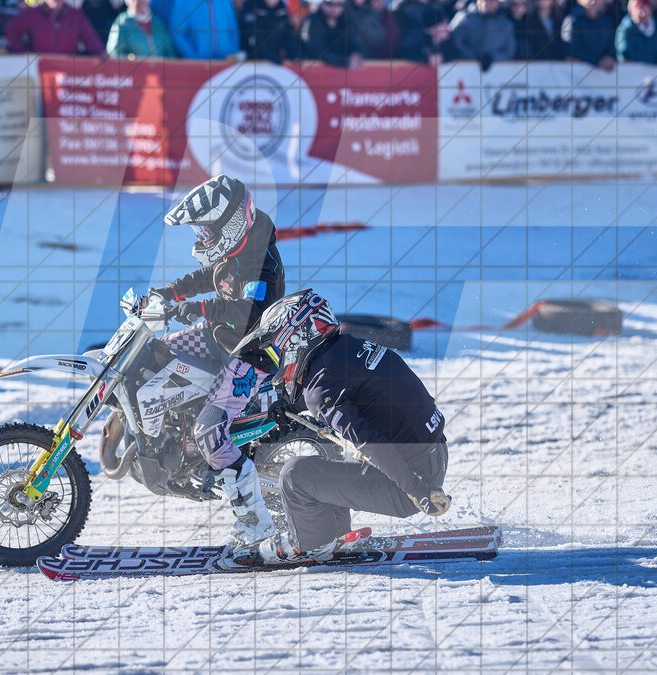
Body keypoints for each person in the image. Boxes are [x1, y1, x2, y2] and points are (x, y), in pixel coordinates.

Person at [231, 289, 450, 564]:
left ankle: (310, 544)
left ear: (297, 339)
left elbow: (369, 442)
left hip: (410, 483)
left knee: (295, 474)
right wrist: (294, 405)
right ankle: (332, 537)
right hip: (431, 459)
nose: (279, 360)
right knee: (325, 463)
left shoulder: (320, 387)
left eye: (278, 350)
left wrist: (417, 491)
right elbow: (364, 395)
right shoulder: (347, 349)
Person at [149, 175, 285, 545]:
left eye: (205, 231)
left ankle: (256, 524)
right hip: (219, 339)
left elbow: (247, 310)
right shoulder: (235, 250)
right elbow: (209, 275)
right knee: (155, 357)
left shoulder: (261, 262)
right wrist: (168, 293)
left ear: (232, 224)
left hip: (251, 354)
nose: (200, 239)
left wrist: (195, 308)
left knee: (208, 431)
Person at [5, 0, 106, 55]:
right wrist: (21, 52)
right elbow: (11, 30)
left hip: (68, 72)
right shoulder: (32, 13)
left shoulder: (76, 15)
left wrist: (101, 53)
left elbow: (90, 38)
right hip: (39, 71)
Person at [449, 0, 517, 69]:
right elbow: (454, 42)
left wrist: (492, 58)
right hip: (463, 70)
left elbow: (509, 52)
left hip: (497, 74)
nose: (488, 3)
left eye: (492, 1)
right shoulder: (465, 18)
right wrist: (474, 57)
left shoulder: (506, 25)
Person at [300, 0, 364, 67]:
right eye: (329, 4)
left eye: (339, 4)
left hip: (341, 71)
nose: (334, 8)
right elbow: (315, 50)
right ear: (321, 4)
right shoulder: (310, 20)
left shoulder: (347, 22)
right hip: (314, 69)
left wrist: (356, 54)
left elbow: (355, 43)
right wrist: (343, 62)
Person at [169, 0, 242, 59]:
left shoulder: (225, 2)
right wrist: (192, 57)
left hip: (225, 63)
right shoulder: (183, 2)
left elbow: (233, 31)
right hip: (198, 66)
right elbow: (177, 35)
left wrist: (232, 53)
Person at [107, 0, 176, 57]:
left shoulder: (156, 22)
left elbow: (169, 51)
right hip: (135, 71)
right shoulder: (122, 23)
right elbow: (114, 53)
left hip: (158, 71)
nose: (141, 1)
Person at [561, 0, 617, 70]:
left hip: (602, 77)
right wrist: (598, 61)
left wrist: (610, 58)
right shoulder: (571, 21)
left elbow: (612, 48)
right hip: (576, 75)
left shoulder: (606, 22)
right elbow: (572, 51)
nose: (593, 2)